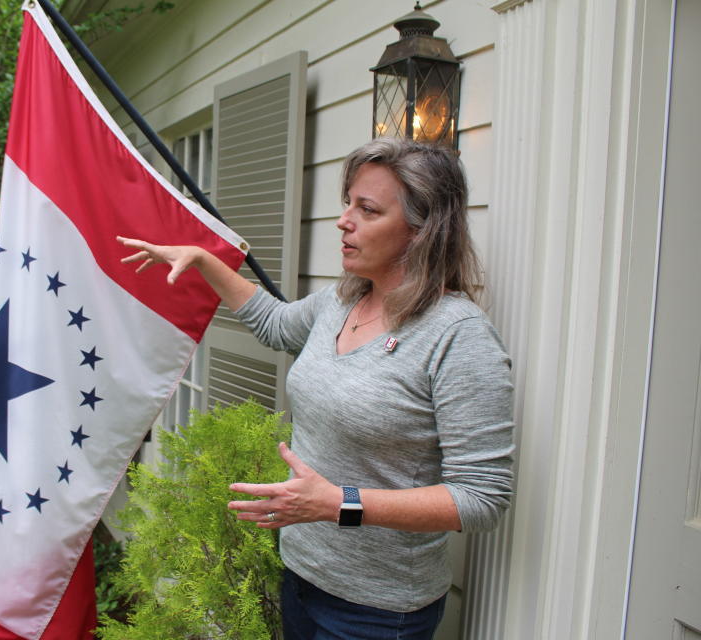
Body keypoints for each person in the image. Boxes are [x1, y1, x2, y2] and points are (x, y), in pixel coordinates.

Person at [117, 137, 514, 640]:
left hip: (377, 610)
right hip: (301, 573)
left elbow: (481, 498)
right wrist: (203, 260)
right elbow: (277, 325)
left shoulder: (458, 337)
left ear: (421, 231)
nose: (343, 220)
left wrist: (339, 503)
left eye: (367, 209)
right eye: (347, 202)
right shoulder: (344, 300)